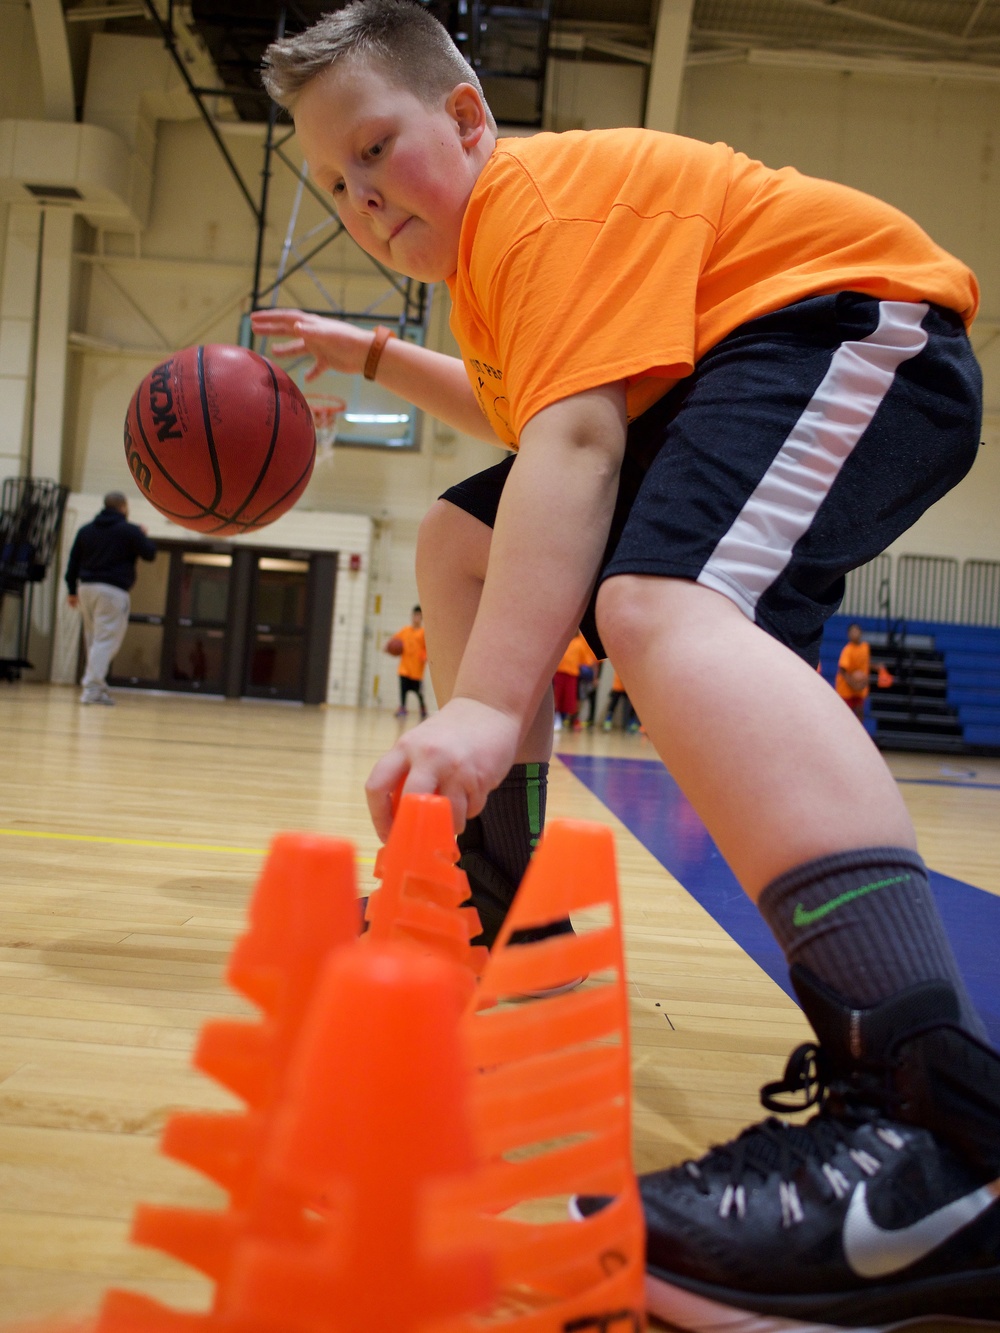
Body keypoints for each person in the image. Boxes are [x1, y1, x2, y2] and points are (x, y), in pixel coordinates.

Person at [251, 5, 999, 1326]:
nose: (363, 201)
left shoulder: (537, 201)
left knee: (662, 601)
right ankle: (493, 909)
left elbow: (579, 441)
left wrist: (485, 704)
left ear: (469, 118)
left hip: (849, 326)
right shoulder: (497, 269)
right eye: (336, 185)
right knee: (459, 535)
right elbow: (519, 407)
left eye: (377, 149)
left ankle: (945, 1133)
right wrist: (369, 352)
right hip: (742, 365)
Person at [65, 491, 156, 705]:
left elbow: (73, 563)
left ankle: (97, 686)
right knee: (106, 642)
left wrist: (71, 590)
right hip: (112, 591)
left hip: (86, 589)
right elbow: (150, 554)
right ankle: (92, 689)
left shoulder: (85, 530)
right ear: (123, 507)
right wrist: (142, 534)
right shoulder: (129, 531)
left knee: (94, 640)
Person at [552, 630, 596, 732]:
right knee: (556, 697)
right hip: (558, 672)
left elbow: (589, 661)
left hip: (572, 674)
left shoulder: (579, 643)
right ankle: (555, 717)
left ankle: (565, 719)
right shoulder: (561, 639)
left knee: (569, 699)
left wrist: (594, 677)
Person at [390, 603, 428, 718]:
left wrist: (424, 656)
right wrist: (390, 647)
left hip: (416, 669)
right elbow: (394, 641)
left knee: (419, 693)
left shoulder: (423, 633)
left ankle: (422, 707)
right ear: (412, 616)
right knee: (403, 690)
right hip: (404, 668)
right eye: (415, 615)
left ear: (421, 617)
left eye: (419, 616)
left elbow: (428, 649)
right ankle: (402, 707)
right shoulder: (405, 630)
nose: (416, 618)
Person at [836, 621, 872, 723]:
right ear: (848, 635)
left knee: (860, 712)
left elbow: (866, 662)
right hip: (846, 688)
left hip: (859, 689)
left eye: (856, 631)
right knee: (846, 715)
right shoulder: (848, 650)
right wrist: (853, 683)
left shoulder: (865, 647)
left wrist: (876, 667)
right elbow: (842, 670)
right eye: (852, 632)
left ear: (861, 633)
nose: (854, 634)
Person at [602, 666, 637, 733]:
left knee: (634, 704)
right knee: (613, 704)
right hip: (618, 685)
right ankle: (608, 720)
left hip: (628, 687)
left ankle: (632, 721)